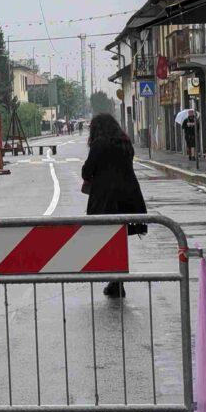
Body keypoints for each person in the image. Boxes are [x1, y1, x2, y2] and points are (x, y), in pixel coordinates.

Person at [82, 113, 145, 300]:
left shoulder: (99, 145)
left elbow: (87, 171)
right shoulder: (125, 143)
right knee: (120, 239)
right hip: (129, 196)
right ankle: (117, 281)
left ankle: (115, 281)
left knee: (108, 240)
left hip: (106, 199)